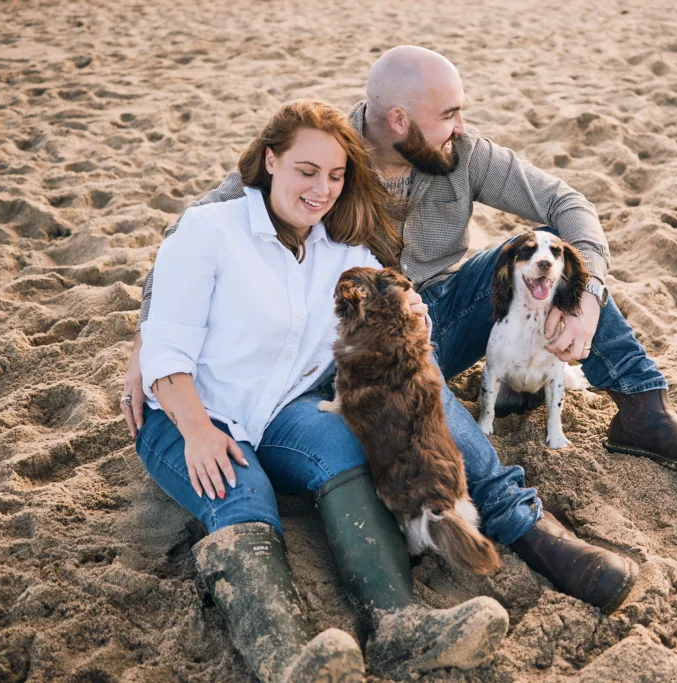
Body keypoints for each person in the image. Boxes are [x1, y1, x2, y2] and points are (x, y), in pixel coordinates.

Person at [133, 100, 510, 682]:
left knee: (338, 443)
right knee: (242, 493)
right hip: (187, 414)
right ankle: (282, 658)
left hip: (282, 412)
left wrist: (410, 310)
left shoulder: (342, 253)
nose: (322, 189)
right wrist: (198, 431)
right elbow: (166, 349)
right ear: (270, 160)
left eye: (336, 176)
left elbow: (396, 318)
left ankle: (399, 626)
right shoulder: (210, 230)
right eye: (306, 171)